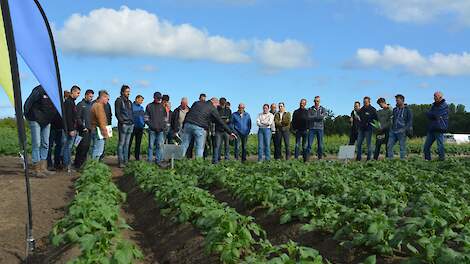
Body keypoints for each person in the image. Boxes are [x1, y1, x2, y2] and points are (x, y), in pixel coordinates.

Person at [24, 85, 57, 177]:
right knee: (37, 143)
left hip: (47, 121)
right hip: (36, 119)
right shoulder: (38, 90)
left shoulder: (53, 92)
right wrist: (28, 116)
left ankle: (43, 168)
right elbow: (28, 103)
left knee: (46, 143)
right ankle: (36, 169)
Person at [423, 91, 449, 161]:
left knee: (440, 146)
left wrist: (430, 113)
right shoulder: (433, 105)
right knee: (426, 146)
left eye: (435, 96)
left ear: (440, 97)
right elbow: (430, 115)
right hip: (432, 128)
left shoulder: (444, 105)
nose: (434, 98)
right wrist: (431, 114)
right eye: (434, 96)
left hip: (439, 128)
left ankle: (442, 160)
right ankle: (427, 160)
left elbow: (436, 115)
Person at [63, 85, 83, 172]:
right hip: (69, 129)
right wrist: (71, 129)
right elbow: (68, 117)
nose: (78, 95)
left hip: (72, 128)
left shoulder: (71, 102)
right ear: (73, 92)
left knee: (69, 147)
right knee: (68, 147)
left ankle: (67, 165)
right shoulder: (68, 102)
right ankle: (67, 165)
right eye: (78, 93)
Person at [387, 94, 413, 159]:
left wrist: (404, 129)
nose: (396, 102)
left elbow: (410, 121)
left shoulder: (408, 110)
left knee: (402, 147)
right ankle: (391, 161)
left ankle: (402, 161)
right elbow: (393, 119)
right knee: (389, 146)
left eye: (397, 100)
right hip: (393, 131)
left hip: (402, 131)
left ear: (402, 100)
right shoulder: (395, 109)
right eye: (396, 100)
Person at [115, 85, 134, 168]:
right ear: (122, 92)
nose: (128, 93)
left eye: (129, 91)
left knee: (127, 144)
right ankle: (121, 161)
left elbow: (131, 112)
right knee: (121, 143)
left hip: (130, 124)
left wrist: (132, 121)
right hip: (124, 124)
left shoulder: (129, 102)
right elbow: (117, 113)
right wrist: (122, 122)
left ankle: (126, 161)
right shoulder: (118, 100)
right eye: (127, 91)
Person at [145, 92, 167, 164]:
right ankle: (150, 161)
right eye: (157, 98)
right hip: (152, 130)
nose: (159, 99)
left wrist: (163, 126)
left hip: (160, 130)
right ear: (154, 97)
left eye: (160, 98)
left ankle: (158, 161)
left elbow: (165, 119)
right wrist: (152, 126)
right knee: (151, 146)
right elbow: (146, 118)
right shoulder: (149, 106)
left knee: (159, 146)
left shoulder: (162, 107)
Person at [74, 89, 94, 169]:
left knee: (86, 148)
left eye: (92, 97)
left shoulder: (91, 105)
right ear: (86, 95)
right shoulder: (80, 104)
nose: (91, 98)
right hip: (83, 130)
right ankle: (77, 165)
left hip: (90, 129)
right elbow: (77, 117)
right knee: (81, 147)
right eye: (90, 96)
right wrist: (83, 127)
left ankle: (83, 165)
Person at [305, 96, 327, 161]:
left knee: (320, 145)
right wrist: (318, 116)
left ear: (319, 101)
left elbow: (323, 117)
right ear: (313, 101)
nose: (316, 102)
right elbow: (309, 117)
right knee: (309, 144)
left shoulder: (323, 109)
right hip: (311, 128)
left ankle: (320, 158)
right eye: (315, 101)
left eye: (317, 101)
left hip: (320, 129)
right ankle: (307, 159)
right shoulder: (310, 109)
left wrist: (314, 117)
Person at [356, 96, 378, 161]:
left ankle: (368, 159)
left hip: (368, 129)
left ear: (369, 102)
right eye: (364, 102)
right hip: (361, 129)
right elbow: (358, 118)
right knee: (359, 144)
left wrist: (372, 125)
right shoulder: (361, 109)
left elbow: (376, 120)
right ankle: (358, 158)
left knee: (369, 144)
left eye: (366, 102)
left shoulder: (373, 109)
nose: (364, 103)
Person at [91, 91, 111, 159]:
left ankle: (92, 165)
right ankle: (94, 166)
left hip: (94, 129)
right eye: (107, 98)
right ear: (103, 97)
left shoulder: (95, 104)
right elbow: (101, 121)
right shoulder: (99, 106)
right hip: (98, 130)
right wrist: (105, 134)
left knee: (94, 149)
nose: (107, 100)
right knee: (98, 151)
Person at [213, 97, 232, 164]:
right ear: (220, 103)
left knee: (227, 146)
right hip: (218, 130)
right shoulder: (216, 109)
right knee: (217, 146)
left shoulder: (228, 110)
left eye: (223, 103)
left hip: (226, 130)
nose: (222, 105)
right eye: (221, 103)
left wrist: (228, 120)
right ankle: (216, 160)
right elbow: (214, 119)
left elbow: (231, 120)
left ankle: (227, 159)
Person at [128, 95, 145, 161]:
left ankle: (137, 157)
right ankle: (127, 157)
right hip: (132, 127)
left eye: (142, 100)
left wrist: (143, 124)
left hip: (140, 128)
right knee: (129, 143)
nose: (141, 102)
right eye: (141, 100)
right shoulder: (131, 106)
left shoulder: (142, 108)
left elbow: (143, 117)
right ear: (136, 99)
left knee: (138, 143)